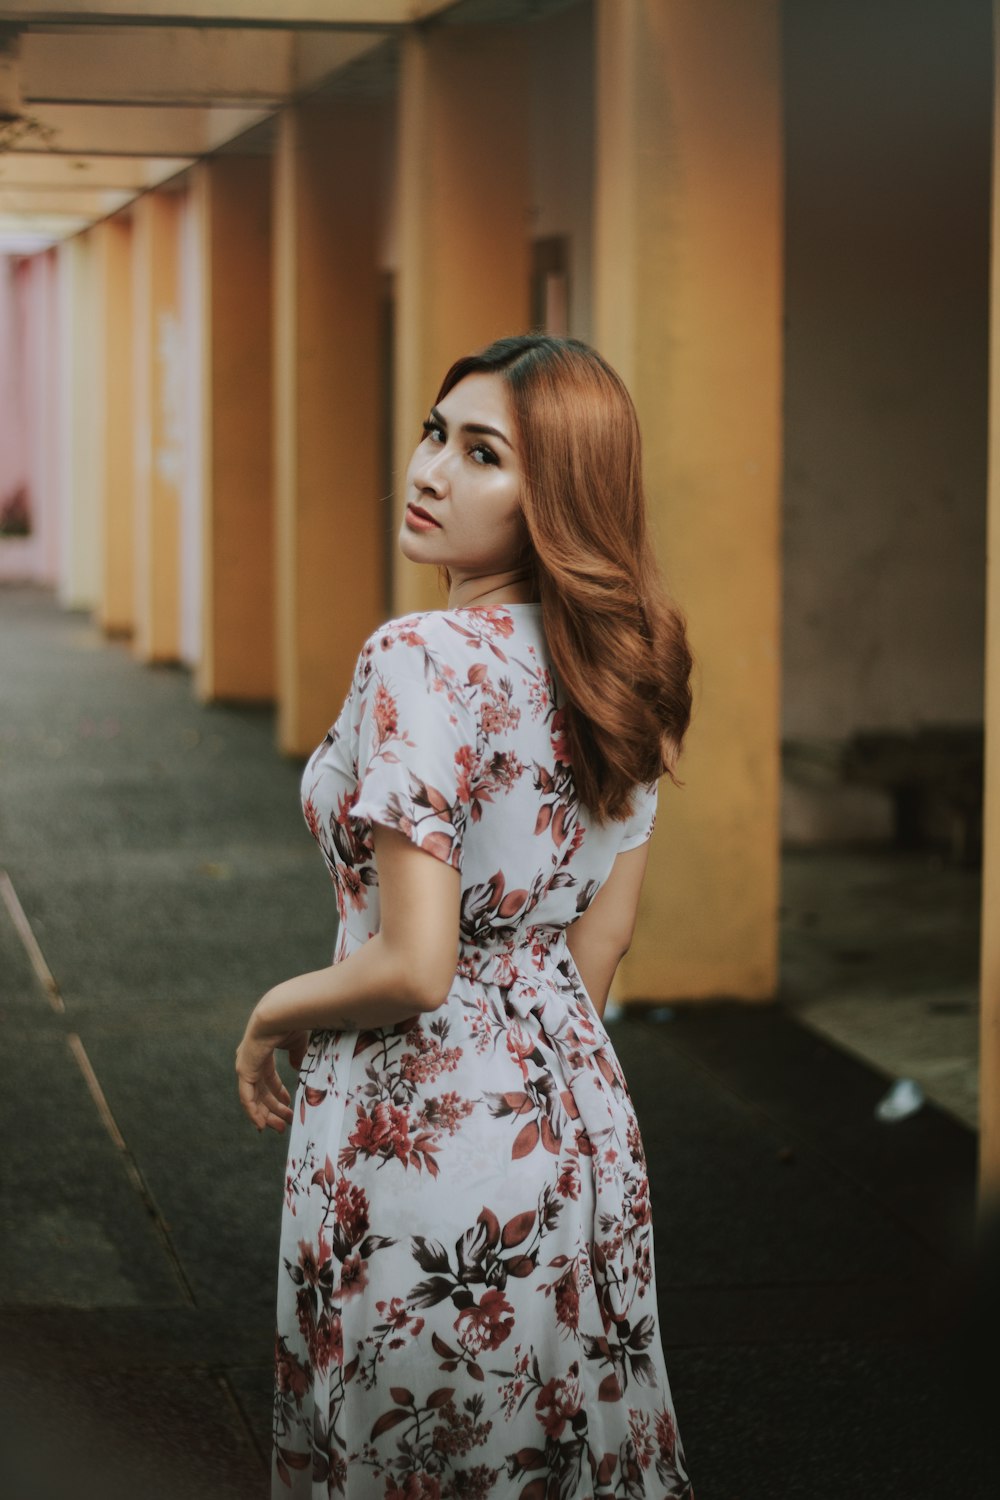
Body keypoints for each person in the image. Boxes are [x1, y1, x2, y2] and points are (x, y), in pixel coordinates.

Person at [236, 334, 695, 1500]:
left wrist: (271, 1012)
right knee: (561, 1446)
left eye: (483, 453)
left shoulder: (420, 657)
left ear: (560, 499)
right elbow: (602, 941)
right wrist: (528, 1080)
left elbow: (414, 964)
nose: (431, 469)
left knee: (414, 1455)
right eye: (435, 433)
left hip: (416, 1125)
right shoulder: (623, 664)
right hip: (575, 1127)